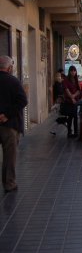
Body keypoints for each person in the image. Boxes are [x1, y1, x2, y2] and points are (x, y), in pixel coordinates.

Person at [0, 56, 28, 193]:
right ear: (9, 68)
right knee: (9, 156)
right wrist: (6, 115)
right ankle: (9, 183)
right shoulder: (13, 81)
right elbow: (22, 101)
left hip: (7, 122)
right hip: (9, 125)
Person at [62, 66, 80, 138]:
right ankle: (69, 132)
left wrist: (74, 96)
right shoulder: (66, 80)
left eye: (74, 71)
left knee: (75, 117)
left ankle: (76, 132)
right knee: (70, 117)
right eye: (72, 71)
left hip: (75, 101)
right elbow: (66, 89)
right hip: (69, 101)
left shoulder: (76, 80)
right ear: (69, 72)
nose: (73, 72)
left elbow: (79, 90)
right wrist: (72, 98)